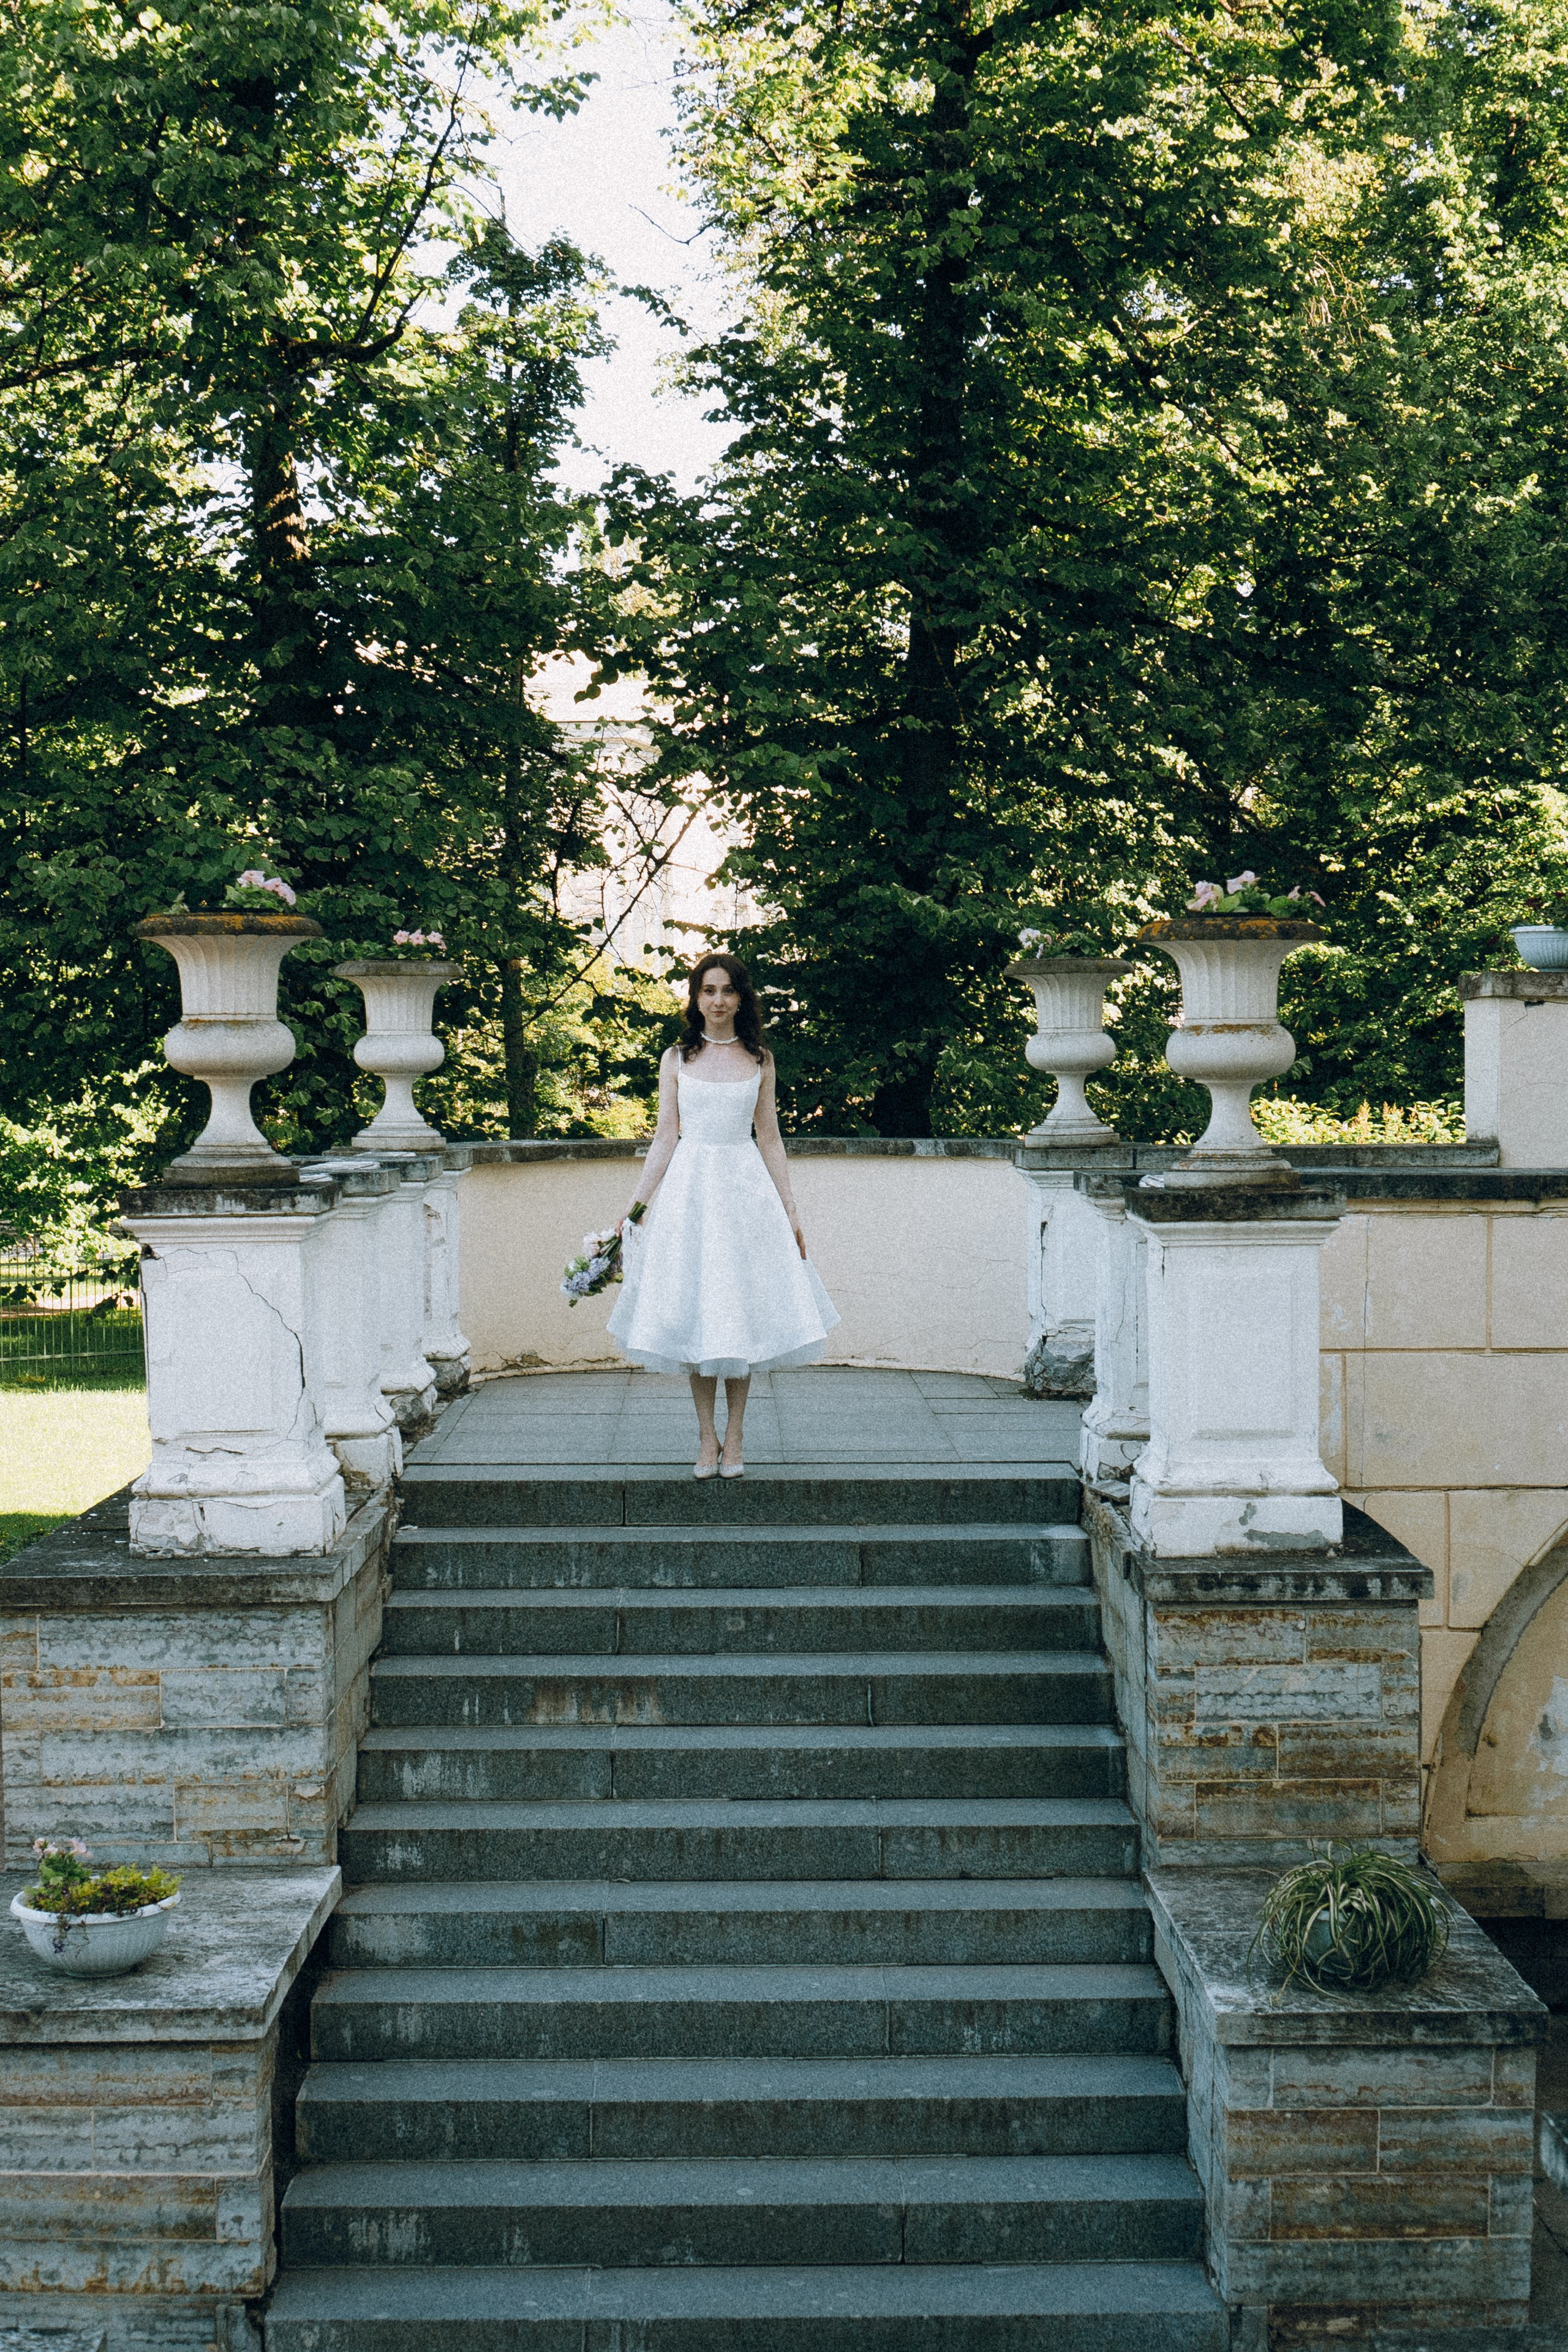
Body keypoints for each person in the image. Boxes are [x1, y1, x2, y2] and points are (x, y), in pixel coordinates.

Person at [606, 954, 839, 1477]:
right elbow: (665, 1137)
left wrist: (791, 1210)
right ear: (696, 998)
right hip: (691, 1195)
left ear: (741, 998)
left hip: (744, 1195)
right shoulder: (676, 1058)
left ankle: (735, 1439)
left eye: (727, 991)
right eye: (708, 991)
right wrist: (635, 1209)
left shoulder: (760, 1059)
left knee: (737, 1318)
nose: (717, 1001)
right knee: (698, 1317)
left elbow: (771, 1138)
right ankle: (705, 1438)